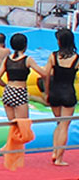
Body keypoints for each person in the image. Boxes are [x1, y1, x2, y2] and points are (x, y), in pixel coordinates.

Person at [46, 28, 78, 167]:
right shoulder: (76, 58)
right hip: (68, 93)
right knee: (64, 126)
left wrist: (47, 92)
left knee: (59, 123)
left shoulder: (53, 56)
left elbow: (47, 75)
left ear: (60, 42)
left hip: (55, 92)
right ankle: (59, 158)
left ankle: (54, 151)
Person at [0, 32, 36, 121]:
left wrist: (6, 86)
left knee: (12, 124)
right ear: (25, 45)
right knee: (23, 124)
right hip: (20, 92)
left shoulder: (7, 59)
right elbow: (43, 73)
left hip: (8, 92)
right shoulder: (27, 59)